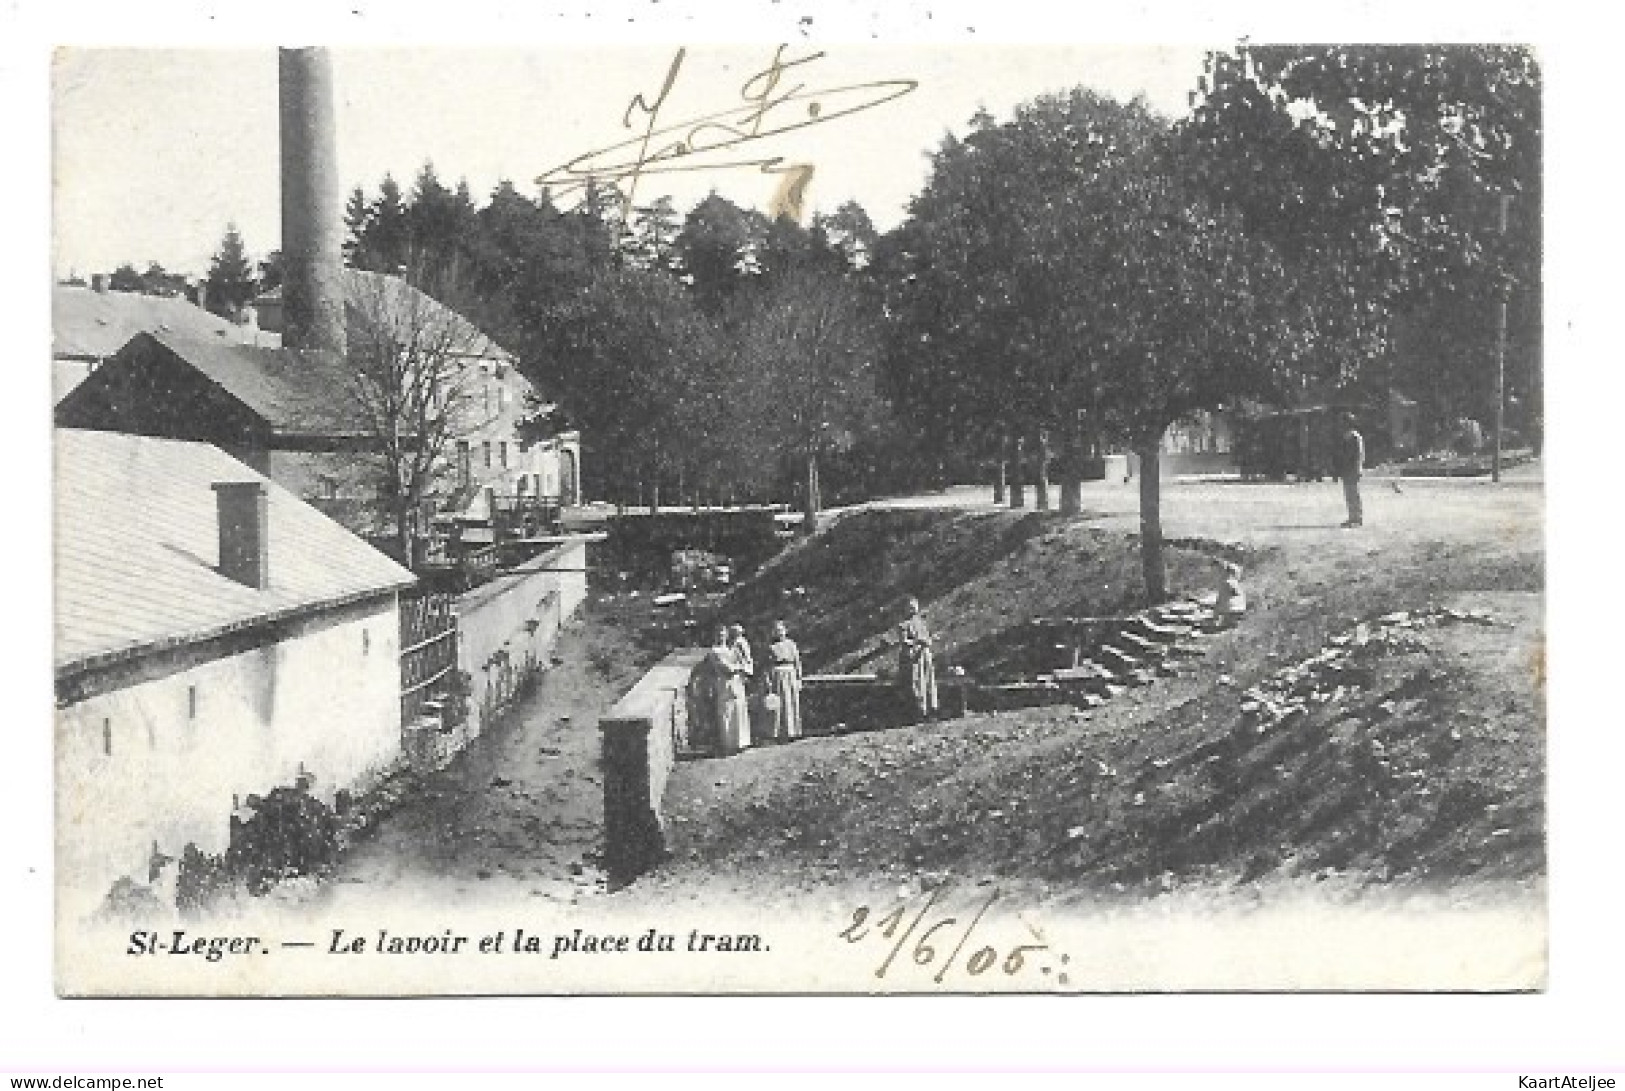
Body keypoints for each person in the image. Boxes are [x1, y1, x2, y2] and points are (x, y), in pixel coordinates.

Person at [703, 626, 752, 754]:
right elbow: (727, 668)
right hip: (724, 683)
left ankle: (741, 742)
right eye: (719, 635)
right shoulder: (714, 651)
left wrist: (742, 667)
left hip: (736, 682)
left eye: (724, 634)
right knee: (727, 711)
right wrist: (740, 667)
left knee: (739, 710)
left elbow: (744, 661)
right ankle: (729, 744)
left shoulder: (730, 649)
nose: (722, 637)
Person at [897, 597, 938, 722]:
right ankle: (921, 712)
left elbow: (926, 637)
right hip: (913, 657)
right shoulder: (903, 624)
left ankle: (933, 709)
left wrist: (930, 639)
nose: (913, 609)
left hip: (925, 654)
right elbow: (904, 641)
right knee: (917, 683)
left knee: (929, 681)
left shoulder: (920, 622)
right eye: (910, 607)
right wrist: (917, 642)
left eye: (915, 606)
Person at [765, 620, 804, 741]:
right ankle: (781, 733)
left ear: (785, 631)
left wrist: (799, 678)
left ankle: (794, 731)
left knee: (791, 701)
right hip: (777, 675)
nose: (779, 633)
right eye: (777, 631)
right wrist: (768, 680)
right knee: (780, 704)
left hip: (790, 673)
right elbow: (767, 665)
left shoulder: (791, 644)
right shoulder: (771, 647)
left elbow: (797, 662)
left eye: (781, 630)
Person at [1336, 412, 1365, 528]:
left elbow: (1352, 454)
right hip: (1350, 468)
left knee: (1353, 493)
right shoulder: (1350, 436)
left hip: (1352, 468)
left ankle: (1357, 518)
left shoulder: (1353, 436)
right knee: (1349, 494)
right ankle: (1353, 517)